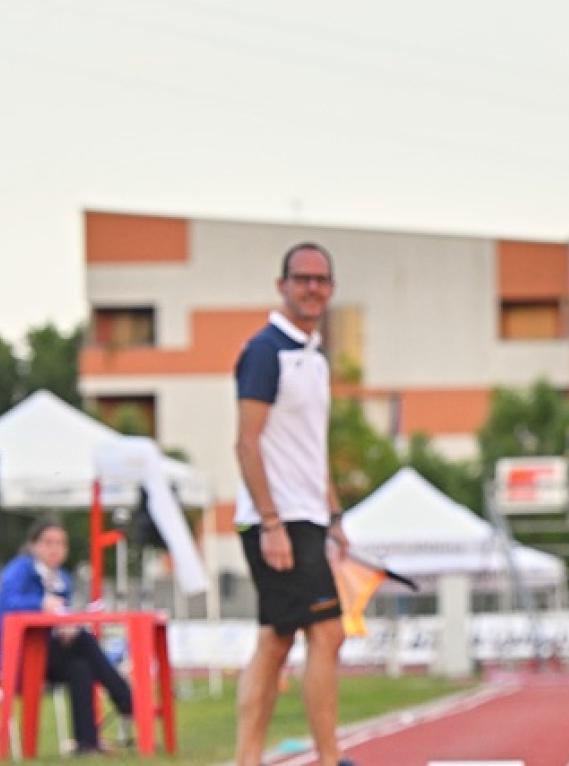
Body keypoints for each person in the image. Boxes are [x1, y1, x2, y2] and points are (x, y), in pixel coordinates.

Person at [233, 243, 354, 766]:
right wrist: (272, 523)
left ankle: (246, 759)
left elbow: (312, 449)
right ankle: (329, 759)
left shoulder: (316, 357)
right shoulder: (265, 351)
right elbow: (246, 442)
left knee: (278, 639)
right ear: (281, 283)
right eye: (302, 278)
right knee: (327, 632)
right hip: (278, 520)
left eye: (321, 280)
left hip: (307, 516)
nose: (312, 288)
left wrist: (335, 515)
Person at [0, 519, 134, 755]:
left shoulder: (62, 578)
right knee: (85, 641)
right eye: (48, 542)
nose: (55, 548)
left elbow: (55, 619)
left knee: (81, 666)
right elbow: (8, 605)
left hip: (45, 655)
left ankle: (87, 743)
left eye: (60, 543)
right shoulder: (20, 569)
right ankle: (128, 701)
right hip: (13, 656)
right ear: (33, 545)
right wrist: (40, 603)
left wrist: (63, 628)